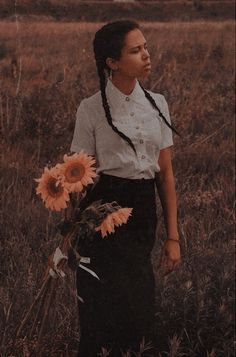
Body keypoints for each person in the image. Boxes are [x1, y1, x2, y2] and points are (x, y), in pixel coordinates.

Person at [70, 20, 181, 357]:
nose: (147, 55)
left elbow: (165, 175)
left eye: (145, 47)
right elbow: (79, 173)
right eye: (136, 50)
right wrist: (70, 226)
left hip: (142, 210)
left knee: (139, 304)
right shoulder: (90, 108)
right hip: (101, 211)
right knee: (99, 306)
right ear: (112, 62)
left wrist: (173, 237)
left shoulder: (158, 103)